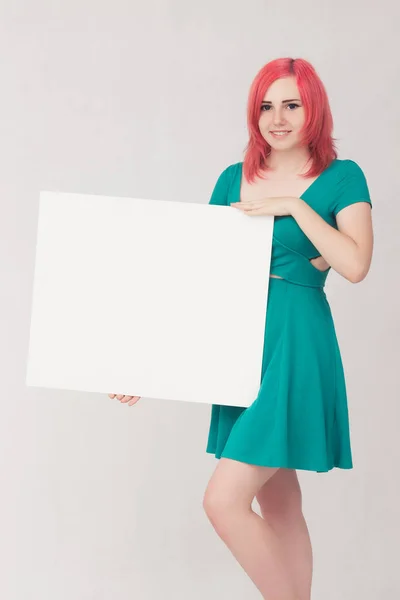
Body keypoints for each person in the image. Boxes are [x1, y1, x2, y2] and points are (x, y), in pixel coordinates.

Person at [109, 57, 374, 600]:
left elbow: (354, 264)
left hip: (295, 346)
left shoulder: (342, 177)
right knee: (280, 504)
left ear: (314, 109)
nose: (277, 118)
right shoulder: (234, 178)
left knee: (222, 501)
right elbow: (199, 281)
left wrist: (295, 207)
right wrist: (141, 363)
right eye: (265, 106)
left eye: (291, 104)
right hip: (239, 348)